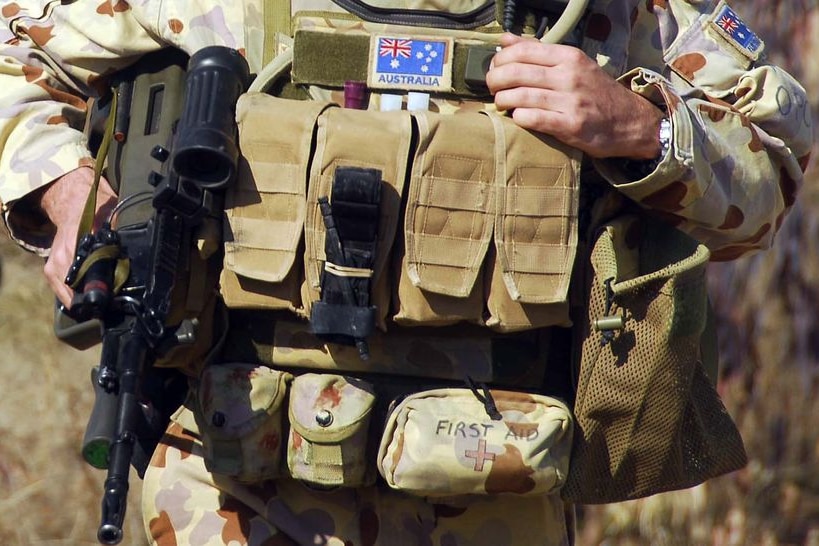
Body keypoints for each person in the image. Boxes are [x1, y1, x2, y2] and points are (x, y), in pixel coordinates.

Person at [0, 1, 812, 545]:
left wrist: (640, 126)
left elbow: (772, 163)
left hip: (497, 482)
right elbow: (14, 58)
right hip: (229, 485)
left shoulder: (611, 14)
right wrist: (68, 197)